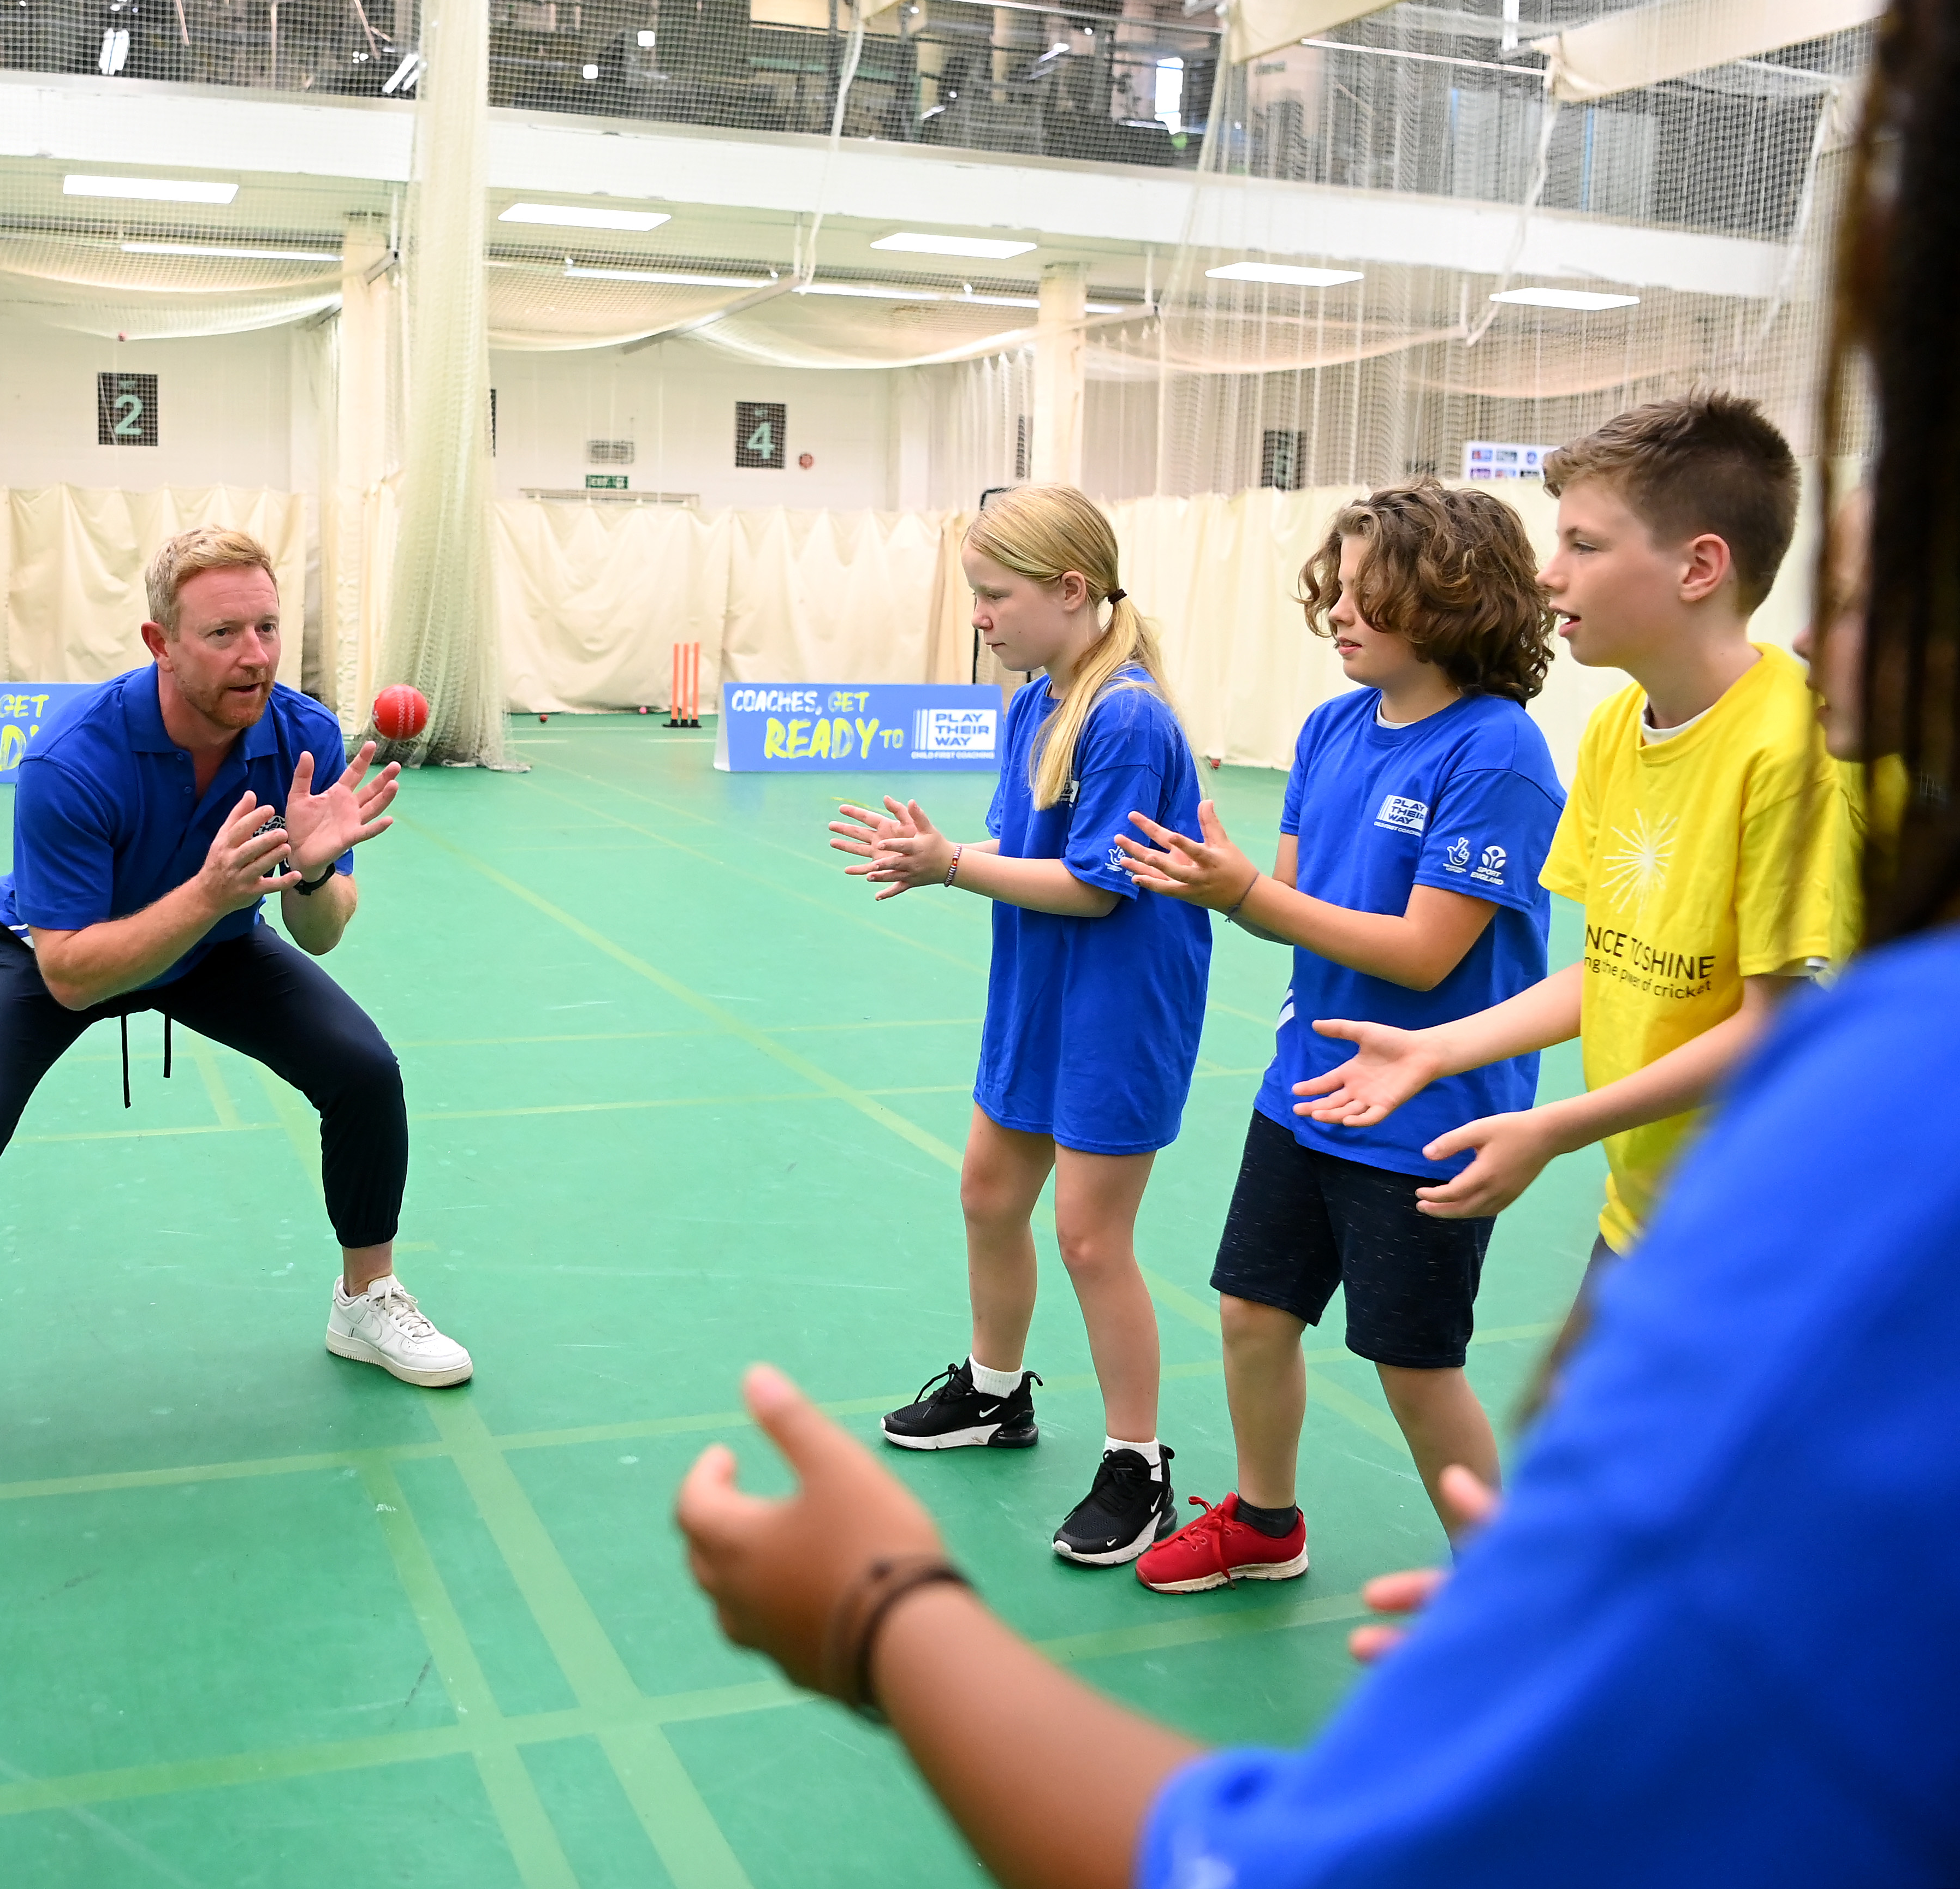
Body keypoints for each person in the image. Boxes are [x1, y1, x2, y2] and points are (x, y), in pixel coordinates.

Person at [675, 2, 1958, 1871]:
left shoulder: (1835, 1057)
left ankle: (1305, 1518)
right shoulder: (1544, 739)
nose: (1829, 636)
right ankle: (1298, 1526)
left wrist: (882, 1619)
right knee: (1244, 1307)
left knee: (1389, 1357)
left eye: (1581, 543)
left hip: (1480, 1128)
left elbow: (1449, 945)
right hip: (1364, 1094)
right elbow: (1582, 958)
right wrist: (1456, 1057)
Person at [0, 525, 471, 1472]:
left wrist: (310, 871)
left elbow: (323, 929)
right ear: (159, 643)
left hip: (216, 944)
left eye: (266, 628)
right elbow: (69, 975)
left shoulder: (301, 734)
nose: (254, 655)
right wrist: (210, 896)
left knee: (364, 1072)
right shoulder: (72, 760)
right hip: (67, 950)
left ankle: (365, 1301)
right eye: (222, 634)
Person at [1286, 394, 1860, 1304]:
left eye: (1584, 546)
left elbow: (1772, 1021)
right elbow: (1612, 969)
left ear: (1699, 567)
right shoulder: (1612, 727)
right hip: (1646, 1209)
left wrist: (1557, 1126)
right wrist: (1439, 1050)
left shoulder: (1793, 746)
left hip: (1768, 1226)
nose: (1550, 576)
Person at [1110, 483, 1563, 1589]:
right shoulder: (1328, 727)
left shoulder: (1497, 752)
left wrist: (1244, 894)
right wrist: (1215, 880)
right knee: (1254, 1313)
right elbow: (1302, 897)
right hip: (1304, 1086)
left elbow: (1421, 952)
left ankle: (1509, 1592)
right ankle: (1265, 1522)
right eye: (1338, 590)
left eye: (1372, 595)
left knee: (1414, 1363)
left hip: (1428, 1114)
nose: (1341, 613)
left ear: (1453, 603)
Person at [829, 484, 1211, 1567]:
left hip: (1121, 1002)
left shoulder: (1126, 715)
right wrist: (956, 860)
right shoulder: (1036, 699)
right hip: (1039, 986)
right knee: (990, 1192)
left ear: (1071, 589)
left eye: (995, 596)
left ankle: (1139, 1463)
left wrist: (946, 864)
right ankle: (997, 1393)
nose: (981, 617)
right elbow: (1032, 862)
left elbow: (1096, 887)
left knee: (1091, 1237)